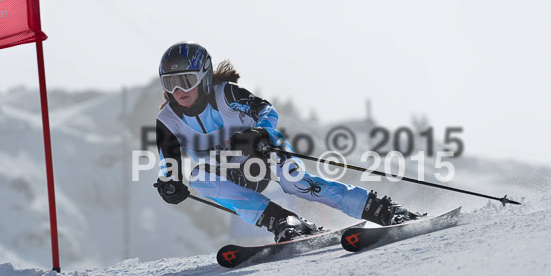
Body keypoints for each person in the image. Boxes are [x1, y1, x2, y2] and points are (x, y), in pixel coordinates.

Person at [154, 42, 420, 242]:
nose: (178, 92)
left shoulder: (226, 94)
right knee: (199, 177)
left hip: (263, 152)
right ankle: (284, 222)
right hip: (231, 172)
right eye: (170, 84)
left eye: (186, 81)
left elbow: (267, 111)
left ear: (204, 77)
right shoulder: (168, 120)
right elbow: (170, 164)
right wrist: (170, 183)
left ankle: (382, 210)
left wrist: (259, 133)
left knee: (298, 184)